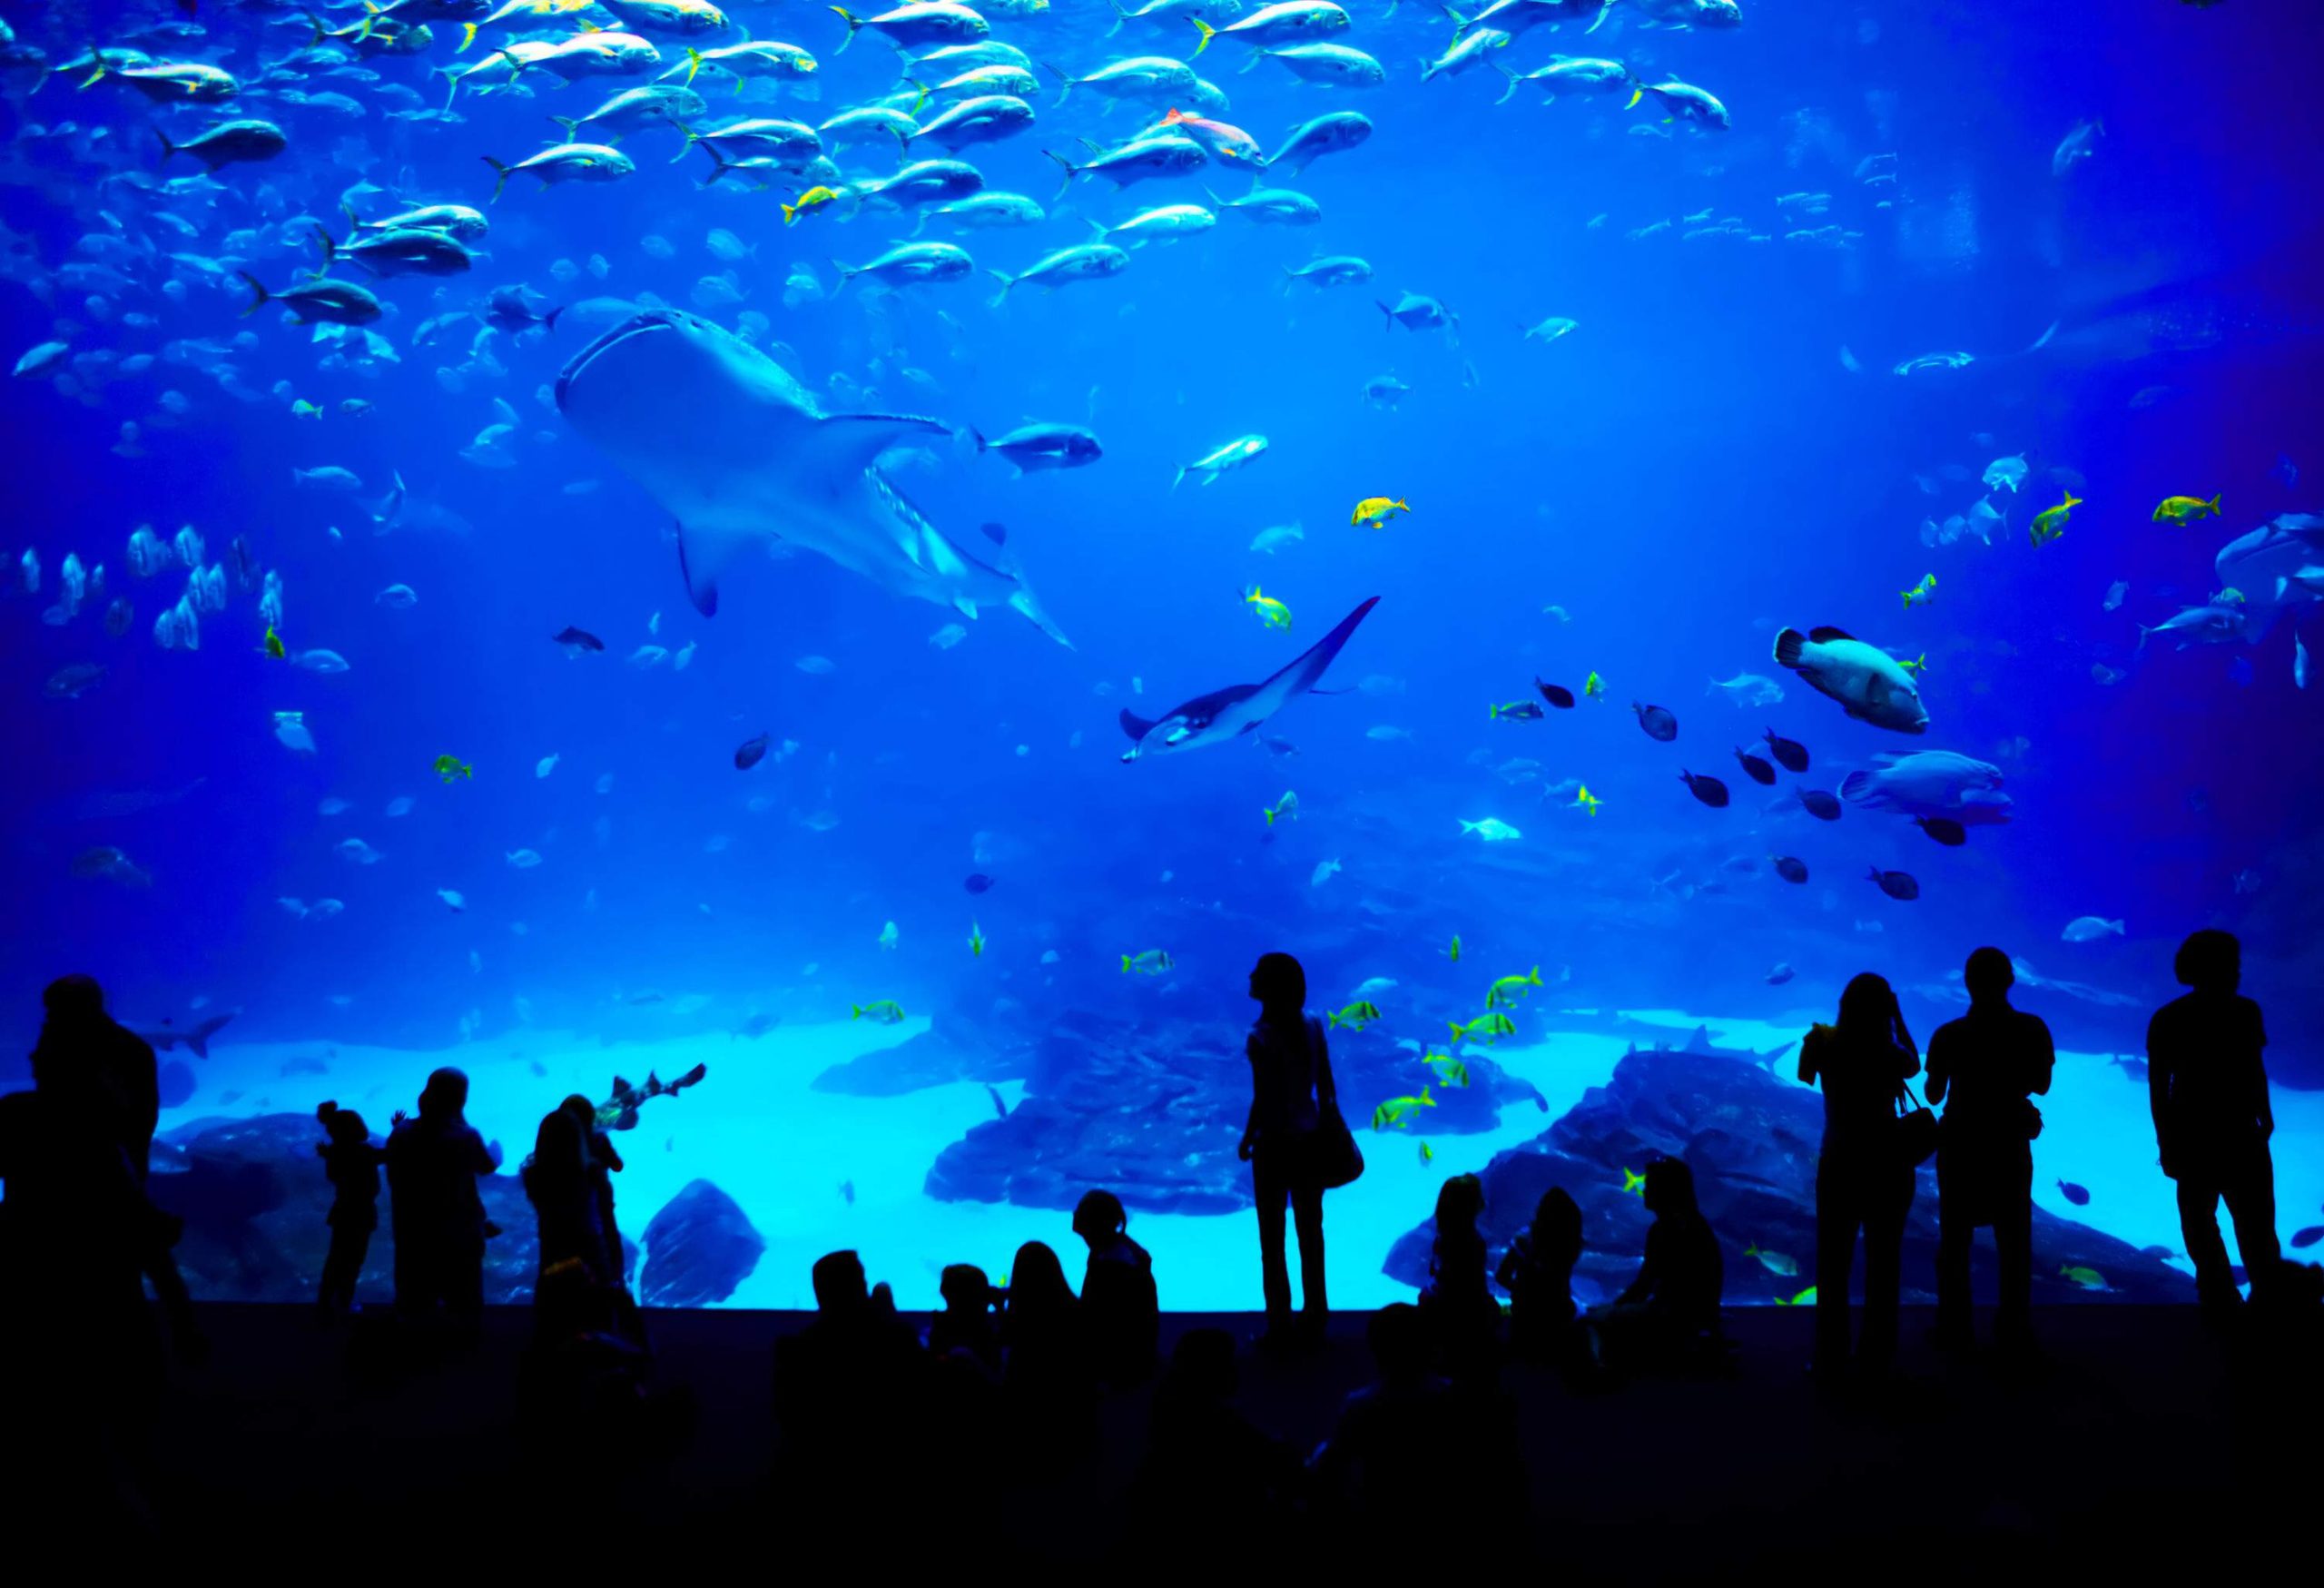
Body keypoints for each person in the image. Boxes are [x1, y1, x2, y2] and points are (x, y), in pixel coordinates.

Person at [1924, 947, 2053, 1354]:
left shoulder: (1949, 1034)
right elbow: (2042, 1084)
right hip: (2008, 1141)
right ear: (2010, 981)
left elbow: (1932, 1093)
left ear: (1967, 982)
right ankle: (2014, 1327)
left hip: (1961, 1141)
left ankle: (1953, 1326)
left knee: (1955, 1237)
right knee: (2014, 1238)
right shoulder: (2032, 1029)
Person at [2147, 930, 2281, 1312]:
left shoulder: (2169, 1018)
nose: (2238, 971)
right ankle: (2248, 1301)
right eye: (2232, 965)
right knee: (2247, 1226)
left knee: (2205, 1224)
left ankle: (2227, 1297)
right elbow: (2254, 1070)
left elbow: (2160, 1090)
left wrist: (2167, 1142)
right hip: (2232, 1135)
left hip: (2203, 1136)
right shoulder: (2243, 1012)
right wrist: (2263, 1114)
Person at [1799, 972, 1921, 1384]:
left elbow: (1804, 1074)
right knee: (1884, 1264)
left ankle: (1830, 1356)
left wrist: (1822, 1036)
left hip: (1840, 1163)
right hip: (1888, 1164)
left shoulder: (1824, 1042)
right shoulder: (1890, 1052)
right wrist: (1896, 1015)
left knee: (1833, 1265)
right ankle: (1876, 1358)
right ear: (1885, 1009)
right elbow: (1914, 1061)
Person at [1239, 951, 1336, 1350]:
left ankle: (1280, 1324)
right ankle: (1317, 1315)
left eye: (1258, 973)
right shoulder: (1314, 1023)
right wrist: (1326, 1123)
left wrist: (1247, 1137)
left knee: (1272, 1239)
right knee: (1311, 1234)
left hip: (1275, 1147)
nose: (1250, 976)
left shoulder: (1260, 1037)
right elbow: (1327, 1086)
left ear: (1271, 986)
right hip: (1311, 1139)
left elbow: (1265, 1099)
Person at [1587, 1158, 1724, 1375]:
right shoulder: (1697, 1223)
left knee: (1591, 1321)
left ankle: (1600, 1369)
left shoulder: (1663, 1230)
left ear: (1665, 1191)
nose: (1645, 1190)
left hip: (1670, 1318)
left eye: (1650, 1185)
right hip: (1700, 1316)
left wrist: (1613, 1308)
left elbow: (1643, 1286)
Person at [385, 1067, 497, 1329]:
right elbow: (487, 1167)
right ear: (460, 1098)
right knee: (463, 1297)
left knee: (414, 1298)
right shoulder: (466, 1135)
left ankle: (414, 1351)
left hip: (412, 1229)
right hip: (458, 1230)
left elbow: (393, 1176)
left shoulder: (401, 1132)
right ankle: (464, 1353)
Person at [29, 974, 158, 1183]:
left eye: (55, 1011)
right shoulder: (58, 1042)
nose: (49, 1019)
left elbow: (131, 1125)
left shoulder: (76, 1049)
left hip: (101, 1171)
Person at [1071, 1189, 1158, 1386]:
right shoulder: (1113, 1249)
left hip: (1117, 1372)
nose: (1083, 1237)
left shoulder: (1113, 1264)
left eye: (1084, 1230)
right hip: (1128, 1366)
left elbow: (1099, 1322)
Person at [315, 1101, 388, 1321]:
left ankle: (325, 1302)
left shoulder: (335, 1152)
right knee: (354, 1260)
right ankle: (344, 1302)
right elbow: (388, 1154)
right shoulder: (363, 1151)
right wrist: (398, 1130)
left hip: (342, 1210)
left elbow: (333, 1176)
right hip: (361, 1211)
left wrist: (329, 1154)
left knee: (336, 1258)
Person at [522, 1100, 606, 1290]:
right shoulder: (591, 1172)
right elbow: (604, 1217)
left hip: (552, 1252)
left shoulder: (532, 1175)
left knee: (554, 1306)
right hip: (587, 1252)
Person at [1419, 1172, 1499, 1370]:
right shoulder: (1472, 1241)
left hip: (1439, 1300)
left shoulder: (1444, 1235)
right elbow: (1473, 1283)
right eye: (1478, 1195)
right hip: (1463, 1309)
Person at [1496, 1186, 1583, 1366]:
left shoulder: (1522, 1241)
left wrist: (1521, 1290)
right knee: (1582, 1312)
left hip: (1524, 1315)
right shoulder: (1570, 1246)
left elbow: (1501, 1276)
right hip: (1556, 1315)